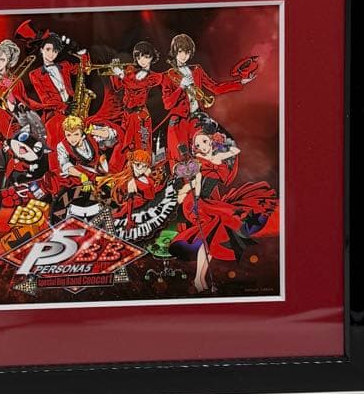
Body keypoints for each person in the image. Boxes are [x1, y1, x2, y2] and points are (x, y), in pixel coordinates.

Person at [170, 131, 277, 292]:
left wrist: (220, 145)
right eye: (197, 145)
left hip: (212, 201)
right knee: (216, 228)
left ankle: (200, 279)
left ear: (211, 141)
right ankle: (199, 279)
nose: (201, 147)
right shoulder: (197, 162)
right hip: (198, 202)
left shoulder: (217, 158)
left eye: (204, 142)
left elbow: (235, 150)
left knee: (212, 238)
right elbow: (196, 182)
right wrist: (192, 198)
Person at [161, 33, 255, 163]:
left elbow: (215, 88)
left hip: (198, 118)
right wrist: (181, 86)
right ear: (174, 51)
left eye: (187, 52)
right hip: (179, 122)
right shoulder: (168, 76)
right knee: (184, 160)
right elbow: (167, 104)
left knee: (221, 148)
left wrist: (240, 83)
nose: (184, 56)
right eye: (180, 51)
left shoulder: (197, 70)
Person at [110, 41, 163, 167]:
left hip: (140, 115)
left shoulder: (154, 76)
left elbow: (136, 85)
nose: (142, 60)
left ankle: (142, 172)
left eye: (146, 57)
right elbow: (117, 87)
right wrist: (115, 73)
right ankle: (117, 170)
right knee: (122, 143)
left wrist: (122, 74)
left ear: (152, 57)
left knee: (142, 145)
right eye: (139, 57)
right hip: (127, 115)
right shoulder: (131, 73)